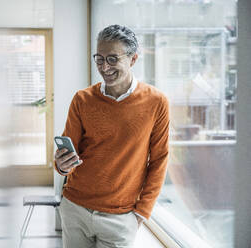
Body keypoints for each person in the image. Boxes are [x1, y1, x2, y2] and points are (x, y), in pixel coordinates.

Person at [54, 24, 170, 248]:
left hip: (121, 217)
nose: (104, 67)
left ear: (133, 59)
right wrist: (61, 165)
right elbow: (67, 155)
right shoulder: (82, 99)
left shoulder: (156, 102)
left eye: (113, 59)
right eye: (99, 59)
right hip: (75, 207)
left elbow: (159, 160)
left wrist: (141, 214)